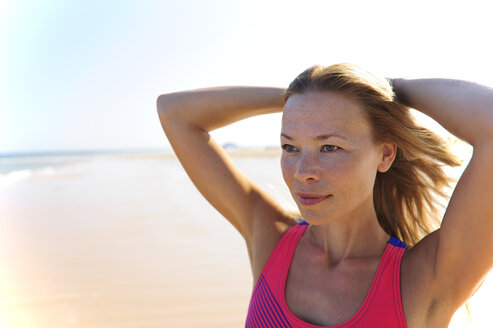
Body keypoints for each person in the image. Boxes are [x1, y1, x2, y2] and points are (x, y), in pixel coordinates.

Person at [156, 63, 493, 327]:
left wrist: (391, 89)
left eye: (329, 147)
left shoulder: (425, 278)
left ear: (385, 155)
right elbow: (173, 112)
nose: (303, 171)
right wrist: (300, 97)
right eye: (290, 146)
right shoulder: (271, 240)